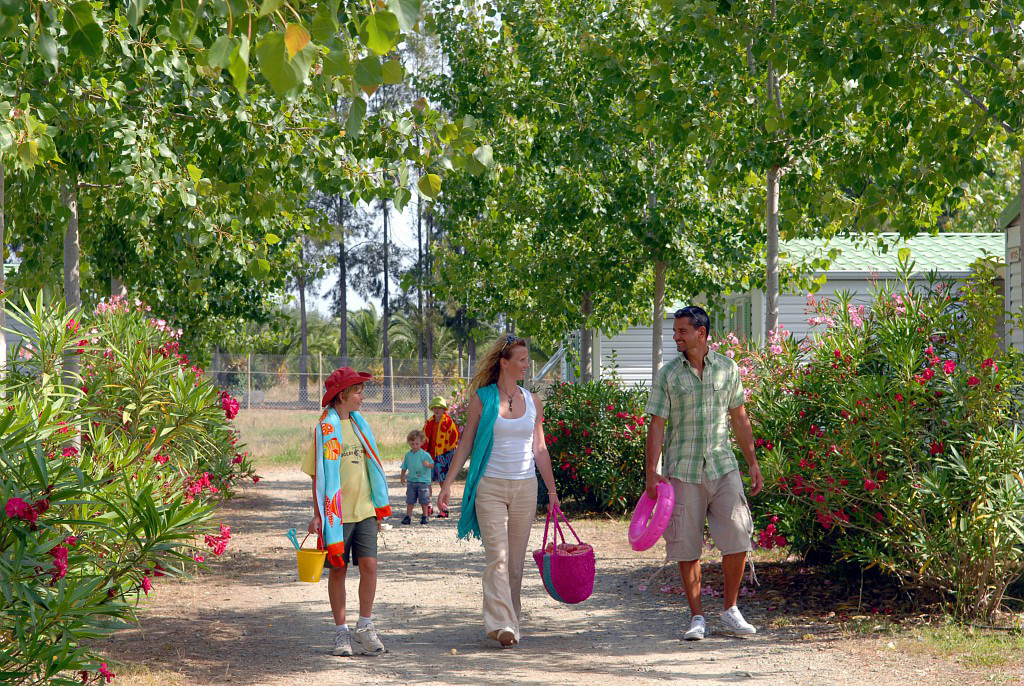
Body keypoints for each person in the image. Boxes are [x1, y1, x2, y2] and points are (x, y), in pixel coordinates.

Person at [644, 306, 764, 641]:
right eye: (674, 330)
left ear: (701, 332)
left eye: (682, 331)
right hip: (682, 470)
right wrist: (651, 472)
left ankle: (730, 609)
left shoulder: (728, 368)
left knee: (739, 535)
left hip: (723, 466)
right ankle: (697, 617)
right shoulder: (668, 374)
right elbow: (656, 425)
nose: (675, 336)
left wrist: (752, 462)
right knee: (687, 544)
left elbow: (739, 419)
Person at [437, 335, 560, 648]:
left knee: (516, 565)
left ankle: (512, 622)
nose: (526, 365)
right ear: (504, 363)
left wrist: (552, 491)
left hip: (525, 487)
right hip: (489, 486)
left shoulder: (533, 401)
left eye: (526, 359)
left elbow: (540, 448)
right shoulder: (483, 398)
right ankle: (501, 623)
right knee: (499, 559)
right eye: (521, 359)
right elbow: (466, 443)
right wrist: (448, 484)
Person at [300, 367, 393, 657]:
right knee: (338, 570)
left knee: (370, 566)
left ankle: (364, 626)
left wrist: (378, 507)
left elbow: (370, 467)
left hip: (365, 510)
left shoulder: (360, 424)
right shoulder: (324, 429)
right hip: (336, 516)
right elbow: (318, 475)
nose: (362, 395)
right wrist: (317, 514)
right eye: (357, 390)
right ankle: (342, 633)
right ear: (342, 395)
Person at [423, 396, 459, 518]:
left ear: (444, 409)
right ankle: (429, 505)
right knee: (427, 482)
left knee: (444, 483)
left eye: (440, 408)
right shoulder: (429, 423)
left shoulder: (448, 423)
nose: (437, 410)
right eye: (435, 408)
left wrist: (450, 454)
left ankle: (444, 508)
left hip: (443, 456)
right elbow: (423, 437)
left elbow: (454, 438)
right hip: (430, 456)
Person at [400, 429, 434, 525]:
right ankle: (408, 516)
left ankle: (425, 516)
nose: (414, 446)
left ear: (421, 443)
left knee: (424, 500)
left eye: (417, 444)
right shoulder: (408, 455)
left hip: (423, 481)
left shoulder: (425, 455)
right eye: (412, 444)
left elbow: (432, 465)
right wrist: (402, 476)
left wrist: (428, 464)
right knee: (410, 500)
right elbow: (404, 467)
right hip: (411, 481)